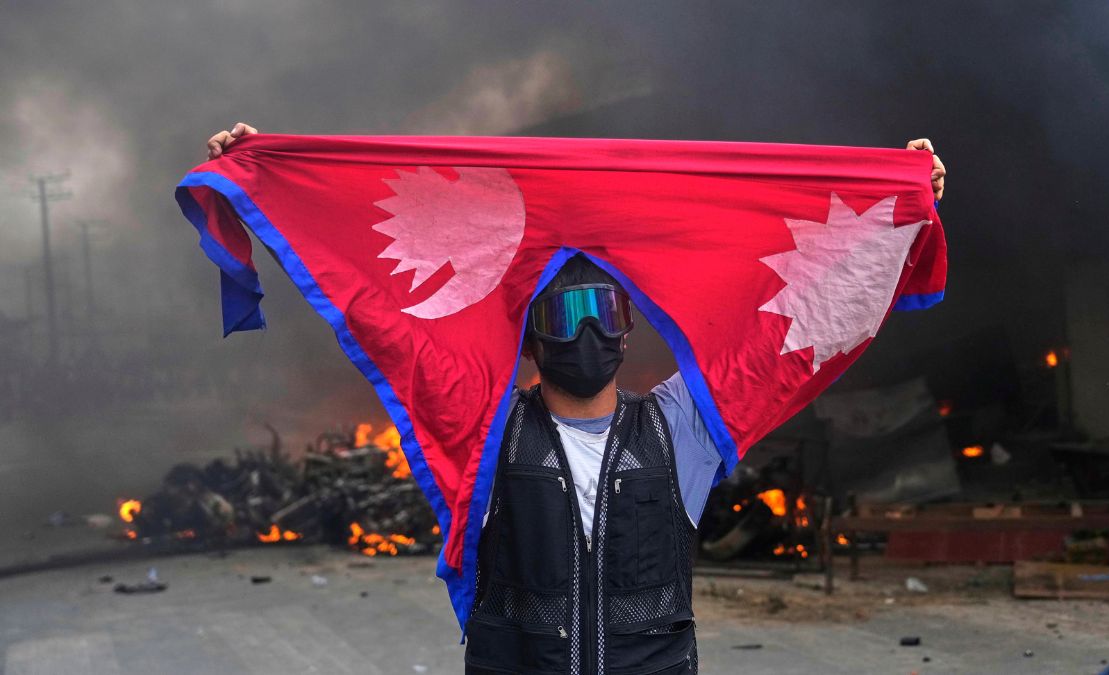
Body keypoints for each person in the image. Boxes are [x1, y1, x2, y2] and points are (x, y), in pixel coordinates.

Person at [205, 123, 947, 674]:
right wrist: (265, 184)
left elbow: (811, 311)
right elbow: (373, 310)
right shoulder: (484, 431)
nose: (588, 330)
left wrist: (899, 205)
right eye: (565, 316)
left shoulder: (680, 427)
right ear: (529, 339)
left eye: (605, 313)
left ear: (629, 332)